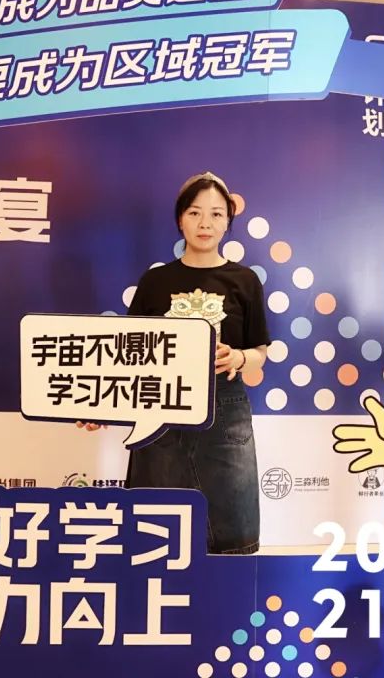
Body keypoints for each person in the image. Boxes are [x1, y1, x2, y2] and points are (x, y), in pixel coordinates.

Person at [82, 172, 270, 555]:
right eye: (195, 212)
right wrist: (99, 405)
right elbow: (128, 356)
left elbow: (259, 352)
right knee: (154, 532)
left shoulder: (245, 280)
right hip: (159, 411)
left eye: (216, 214)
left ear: (228, 222)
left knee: (232, 533)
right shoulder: (154, 281)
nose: (205, 223)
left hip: (224, 411)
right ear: (180, 219)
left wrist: (238, 357)